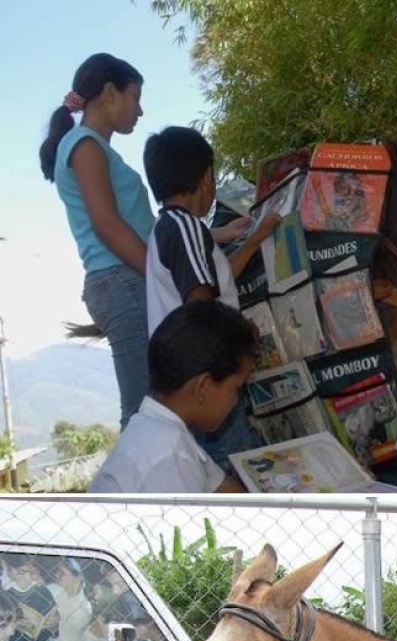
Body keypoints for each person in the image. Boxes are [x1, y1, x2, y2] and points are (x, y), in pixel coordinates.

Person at [143, 125, 280, 468]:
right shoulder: (186, 227)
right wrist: (241, 339)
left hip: (193, 385)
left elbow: (216, 284)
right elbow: (202, 306)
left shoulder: (168, 228)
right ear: (206, 178)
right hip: (210, 384)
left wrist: (252, 239)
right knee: (235, 466)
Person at [39, 54, 154, 427]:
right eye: (135, 97)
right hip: (122, 280)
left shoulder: (93, 146)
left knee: (151, 411)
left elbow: (140, 224)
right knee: (143, 414)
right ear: (109, 93)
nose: (140, 110)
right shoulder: (84, 145)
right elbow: (107, 224)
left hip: (124, 279)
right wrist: (162, 275)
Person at [88, 300, 258, 493]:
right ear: (203, 386)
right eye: (237, 387)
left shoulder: (156, 428)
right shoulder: (169, 456)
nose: (237, 400)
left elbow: (223, 489)